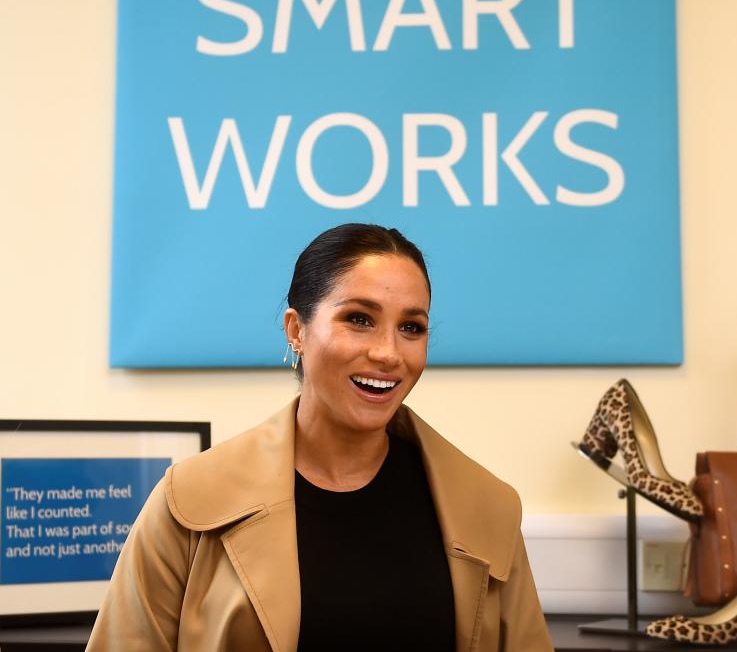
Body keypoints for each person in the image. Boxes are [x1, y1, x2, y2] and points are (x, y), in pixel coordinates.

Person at [87, 224, 553, 652]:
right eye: (359, 319)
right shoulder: (188, 502)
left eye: (411, 327)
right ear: (297, 330)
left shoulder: (488, 509)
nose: (389, 353)